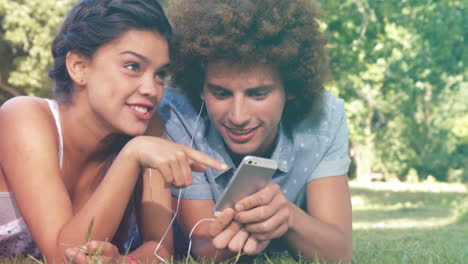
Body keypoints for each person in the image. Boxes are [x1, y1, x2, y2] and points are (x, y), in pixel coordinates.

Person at [0, 0, 227, 263]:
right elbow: (62, 257)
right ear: (79, 67)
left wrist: (124, 261)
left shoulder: (148, 131)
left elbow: (161, 249)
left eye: (160, 74)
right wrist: (132, 155)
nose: (151, 89)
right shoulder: (24, 117)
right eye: (133, 66)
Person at [159, 0, 353, 262]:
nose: (238, 117)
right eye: (221, 93)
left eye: (258, 94)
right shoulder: (177, 114)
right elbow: (205, 249)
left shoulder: (323, 119)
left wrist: (288, 217)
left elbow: (339, 253)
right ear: (199, 86)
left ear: (292, 87)